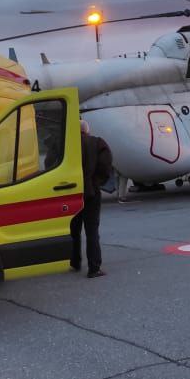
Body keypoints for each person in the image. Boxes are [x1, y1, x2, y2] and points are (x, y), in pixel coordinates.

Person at [70, 119, 113, 278]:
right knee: (92, 230)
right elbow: (106, 165)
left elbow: (50, 161)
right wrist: (97, 182)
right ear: (87, 130)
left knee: (74, 229)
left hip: (72, 192)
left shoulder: (68, 145)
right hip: (92, 192)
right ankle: (94, 267)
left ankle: (74, 261)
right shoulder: (98, 143)